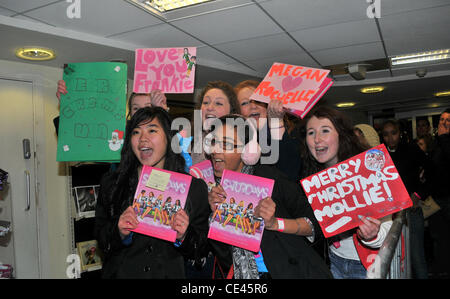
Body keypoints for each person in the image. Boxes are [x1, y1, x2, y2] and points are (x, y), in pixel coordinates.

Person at [207, 114, 332, 279]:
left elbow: (316, 224)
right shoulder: (213, 190)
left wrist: (275, 223)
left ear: (248, 151)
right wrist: (215, 216)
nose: (215, 150)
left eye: (226, 144)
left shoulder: (271, 179)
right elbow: (224, 257)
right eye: (214, 142)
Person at [94, 107, 210, 278]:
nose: (142, 139)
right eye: (136, 132)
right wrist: (119, 232)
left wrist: (183, 236)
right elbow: (101, 240)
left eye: (152, 130)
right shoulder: (112, 183)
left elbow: (200, 250)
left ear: (169, 138)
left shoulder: (194, 188)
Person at [301, 106, 392, 279]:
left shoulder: (367, 169)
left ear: (341, 135)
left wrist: (372, 236)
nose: (317, 139)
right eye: (311, 133)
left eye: (325, 131)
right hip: (335, 261)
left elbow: (389, 226)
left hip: (367, 265)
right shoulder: (312, 178)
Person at [380, 119, 429, 278]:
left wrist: (418, 194)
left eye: (393, 133)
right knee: (393, 258)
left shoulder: (411, 149)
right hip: (388, 214)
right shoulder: (380, 154)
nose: (390, 138)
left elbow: (433, 171)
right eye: (386, 135)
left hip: (411, 211)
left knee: (416, 257)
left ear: (399, 133)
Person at [234, 80, 303, 182]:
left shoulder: (292, 133)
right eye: (245, 103)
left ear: (267, 105)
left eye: (258, 101)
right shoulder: (235, 142)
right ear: (237, 112)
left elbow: (290, 174)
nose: (253, 106)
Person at [189, 81, 240, 165]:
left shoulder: (241, 145)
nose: (210, 107)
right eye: (205, 102)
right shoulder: (189, 140)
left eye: (218, 103)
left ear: (232, 112)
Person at [426, 108, 450, 278]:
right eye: (441, 120)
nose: (443, 123)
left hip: (449, 198)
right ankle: (441, 268)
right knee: (438, 236)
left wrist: (443, 138)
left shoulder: (445, 142)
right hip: (436, 198)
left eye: (448, 120)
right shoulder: (437, 143)